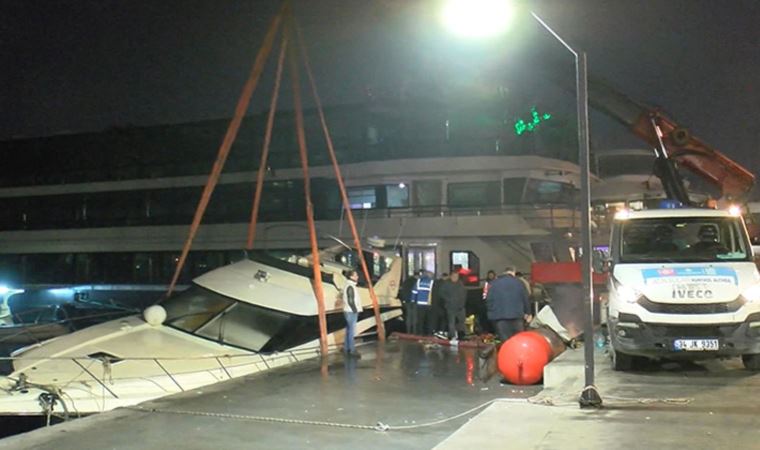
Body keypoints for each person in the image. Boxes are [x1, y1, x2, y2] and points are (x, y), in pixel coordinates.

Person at [486, 266, 532, 342]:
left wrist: (491, 313)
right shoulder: (519, 283)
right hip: (517, 317)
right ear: (513, 272)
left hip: (500, 318)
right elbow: (525, 298)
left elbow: (488, 300)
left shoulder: (493, 283)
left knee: (505, 342)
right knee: (518, 341)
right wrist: (528, 313)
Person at [440, 272, 467, 344]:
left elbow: (464, 293)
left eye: (457, 276)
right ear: (451, 276)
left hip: (460, 306)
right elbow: (441, 293)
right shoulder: (446, 284)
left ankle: (462, 335)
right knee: (451, 322)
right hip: (450, 306)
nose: (456, 278)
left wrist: (462, 302)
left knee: (462, 321)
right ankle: (452, 336)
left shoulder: (460, 284)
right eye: (454, 276)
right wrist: (449, 300)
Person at [342, 270, 362, 358]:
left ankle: (346, 348)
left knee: (348, 330)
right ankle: (352, 350)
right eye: (356, 275)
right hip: (351, 311)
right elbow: (351, 300)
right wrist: (355, 310)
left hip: (347, 310)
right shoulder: (351, 287)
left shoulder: (348, 286)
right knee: (351, 331)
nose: (357, 277)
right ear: (351, 277)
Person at [411, 270, 434, 335]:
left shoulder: (418, 281)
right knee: (429, 320)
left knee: (420, 320)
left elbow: (414, 292)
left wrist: (413, 301)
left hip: (419, 304)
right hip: (429, 304)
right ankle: (429, 333)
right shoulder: (432, 282)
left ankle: (420, 334)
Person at [430, 272, 448, 336]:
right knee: (443, 319)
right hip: (441, 304)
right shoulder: (445, 284)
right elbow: (443, 295)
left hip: (434, 303)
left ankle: (433, 331)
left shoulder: (435, 283)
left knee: (434, 318)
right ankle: (441, 331)